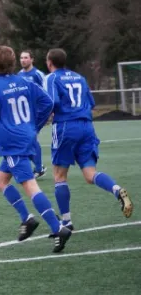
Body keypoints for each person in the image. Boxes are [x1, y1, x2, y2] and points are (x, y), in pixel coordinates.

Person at [0, 45, 71, 253]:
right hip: (27, 138)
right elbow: (48, 103)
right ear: (13, 63)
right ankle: (27, 218)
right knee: (0, 180)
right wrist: (34, 125)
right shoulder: (25, 81)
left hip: (13, 143)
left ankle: (58, 228)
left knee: (30, 186)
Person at [45, 48, 133, 230]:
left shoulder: (52, 78)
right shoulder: (79, 77)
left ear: (49, 62)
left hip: (65, 127)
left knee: (60, 175)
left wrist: (43, 118)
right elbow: (91, 103)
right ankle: (116, 189)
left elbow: (51, 102)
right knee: (89, 174)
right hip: (86, 127)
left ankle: (67, 221)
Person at [17, 50, 47, 178]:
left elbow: (47, 93)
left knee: (31, 138)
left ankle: (39, 168)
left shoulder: (38, 75)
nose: (23, 60)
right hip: (23, 114)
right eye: (21, 58)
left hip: (36, 113)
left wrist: (47, 112)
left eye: (26, 57)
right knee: (25, 139)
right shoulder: (19, 75)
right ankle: (38, 167)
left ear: (32, 59)